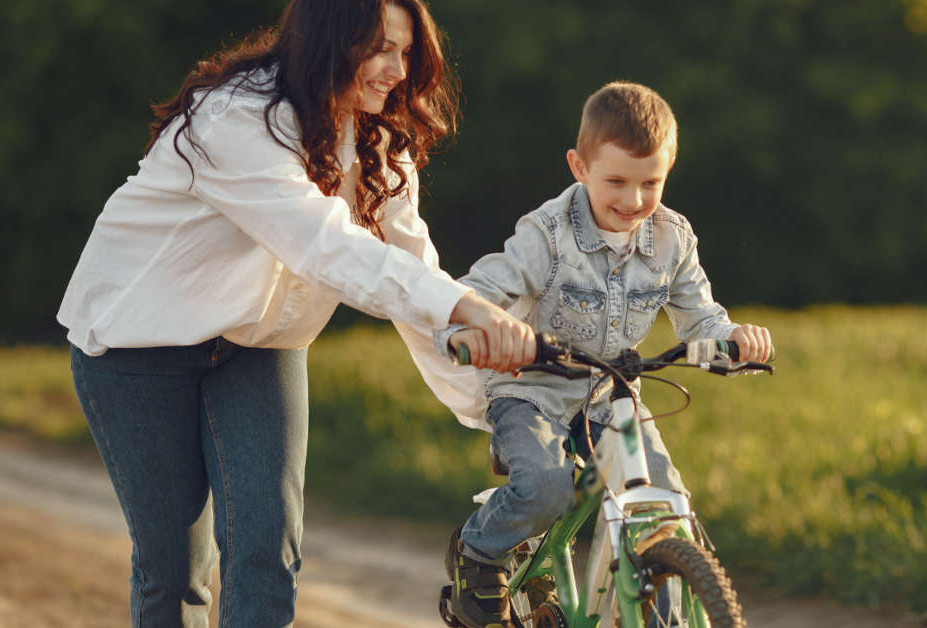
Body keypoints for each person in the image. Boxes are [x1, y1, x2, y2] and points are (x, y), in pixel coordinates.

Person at [57, 1, 535, 626]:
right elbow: (326, 244)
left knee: (267, 551)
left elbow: (414, 278)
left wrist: (492, 401)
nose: (396, 68)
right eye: (378, 48)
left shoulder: (377, 142)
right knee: (175, 569)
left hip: (259, 347)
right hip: (136, 347)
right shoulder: (237, 116)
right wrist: (466, 305)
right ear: (328, 41)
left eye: (406, 50)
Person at [434, 81, 773, 628]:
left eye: (651, 183)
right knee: (547, 488)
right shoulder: (546, 234)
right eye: (616, 180)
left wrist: (736, 341)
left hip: (609, 393)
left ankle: (657, 608)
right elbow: (478, 294)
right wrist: (476, 333)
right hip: (532, 389)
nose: (634, 200)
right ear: (579, 166)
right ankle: (481, 551)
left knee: (664, 505)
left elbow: (702, 318)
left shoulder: (672, 239)